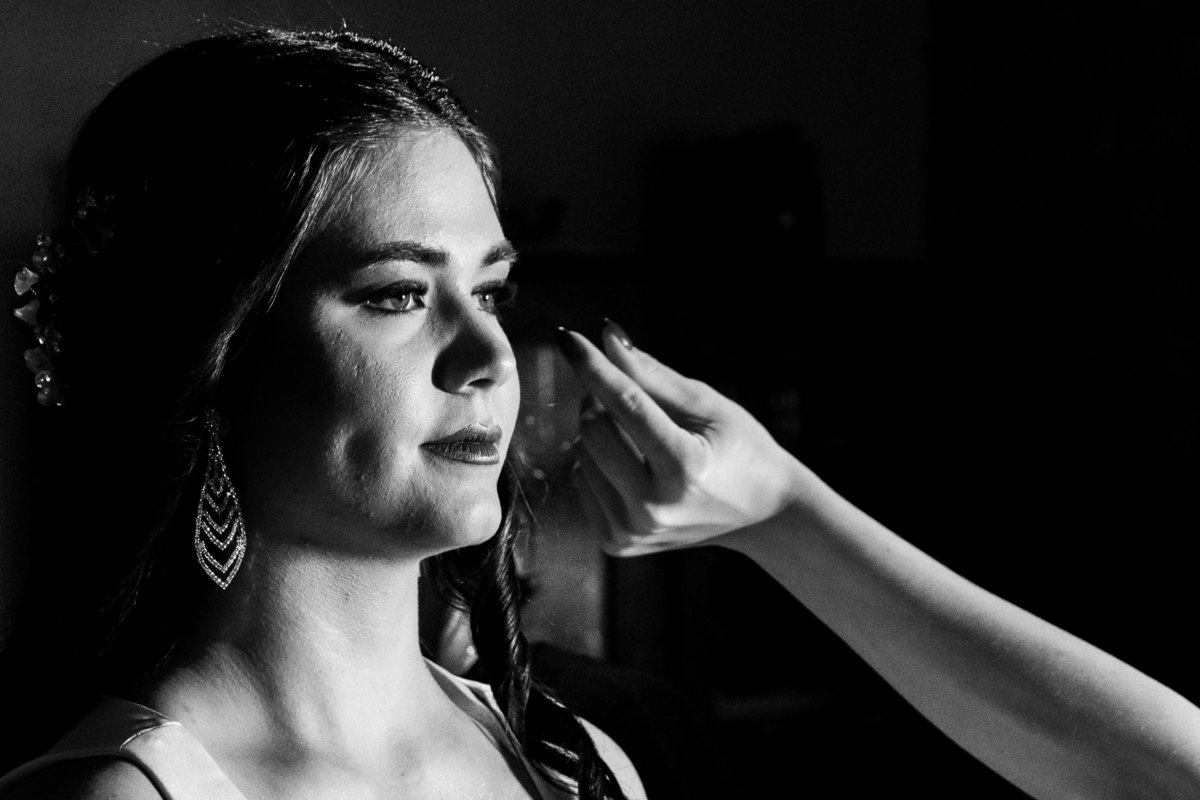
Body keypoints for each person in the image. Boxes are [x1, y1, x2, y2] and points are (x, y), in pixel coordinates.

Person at [0, 29, 645, 800]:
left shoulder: (577, 766)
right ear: (213, 361)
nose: (493, 357)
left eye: (489, 292)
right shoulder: (127, 794)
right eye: (398, 295)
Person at [555, 320, 1200, 800]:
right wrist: (778, 511)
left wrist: (781, 510)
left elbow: (1162, 780)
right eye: (503, 297)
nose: (504, 359)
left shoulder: (632, 726)